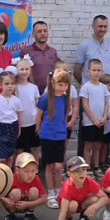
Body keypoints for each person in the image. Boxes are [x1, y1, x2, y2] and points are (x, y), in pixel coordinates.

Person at [74, 15, 110, 160]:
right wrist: (89, 87)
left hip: (105, 94)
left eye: (105, 26)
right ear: (93, 27)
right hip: (89, 95)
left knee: (105, 128)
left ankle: (102, 160)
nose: (102, 29)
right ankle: (82, 161)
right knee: (86, 130)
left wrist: (106, 86)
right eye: (100, 26)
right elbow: (77, 70)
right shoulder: (84, 45)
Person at [37, 69, 72, 209]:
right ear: (53, 83)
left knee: (58, 166)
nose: (63, 87)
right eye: (60, 84)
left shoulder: (65, 99)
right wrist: (38, 129)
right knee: (49, 166)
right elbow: (39, 115)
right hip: (47, 136)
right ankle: (51, 194)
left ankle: (59, 191)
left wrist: (63, 129)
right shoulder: (46, 98)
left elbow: (64, 116)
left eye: (65, 84)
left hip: (60, 136)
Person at [54, 156, 109, 220]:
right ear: (69, 174)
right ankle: (67, 219)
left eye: (84, 170)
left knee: (94, 199)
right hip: (70, 206)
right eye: (77, 171)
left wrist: (95, 207)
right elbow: (63, 210)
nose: (81, 173)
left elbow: (104, 197)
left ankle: (83, 217)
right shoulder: (68, 186)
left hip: (82, 204)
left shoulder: (89, 181)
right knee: (73, 204)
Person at [80, 59, 110, 179]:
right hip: (89, 122)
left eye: (99, 70)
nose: (96, 72)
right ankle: (87, 168)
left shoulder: (103, 87)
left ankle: (96, 167)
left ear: (102, 71)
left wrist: (104, 117)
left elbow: (107, 104)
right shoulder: (86, 87)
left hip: (101, 122)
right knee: (88, 146)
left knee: (97, 145)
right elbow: (85, 105)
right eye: (94, 70)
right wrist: (94, 120)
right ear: (89, 71)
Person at [1, 152, 47, 220]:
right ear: (17, 170)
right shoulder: (11, 179)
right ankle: (12, 215)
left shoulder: (36, 178)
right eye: (26, 171)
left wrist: (28, 204)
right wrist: (5, 200)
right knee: (16, 192)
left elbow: (44, 198)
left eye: (33, 171)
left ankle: (30, 214)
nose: (30, 175)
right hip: (12, 205)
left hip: (26, 205)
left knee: (34, 191)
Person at [0, 70, 23, 166]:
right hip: (0, 127)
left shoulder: (17, 100)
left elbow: (19, 115)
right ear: (0, 85)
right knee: (0, 157)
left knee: (10, 155)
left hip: (13, 127)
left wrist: (19, 128)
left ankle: (8, 172)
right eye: (7, 84)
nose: (10, 86)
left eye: (12, 83)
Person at [20, 21, 59, 94]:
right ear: (33, 34)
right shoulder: (26, 51)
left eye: (45, 31)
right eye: (39, 31)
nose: (43, 33)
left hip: (51, 93)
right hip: (32, 93)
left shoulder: (53, 52)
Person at [14, 56, 41, 162]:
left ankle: (35, 167)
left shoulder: (34, 87)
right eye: (21, 69)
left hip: (32, 123)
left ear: (30, 70)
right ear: (16, 70)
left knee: (35, 147)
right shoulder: (14, 87)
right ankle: (18, 168)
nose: (24, 71)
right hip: (19, 124)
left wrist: (38, 123)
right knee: (19, 149)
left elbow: (38, 106)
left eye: (27, 69)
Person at [100, 73, 110, 164]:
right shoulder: (102, 96)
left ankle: (104, 159)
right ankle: (99, 161)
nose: (109, 87)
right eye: (107, 85)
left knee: (106, 143)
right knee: (100, 144)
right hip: (102, 122)